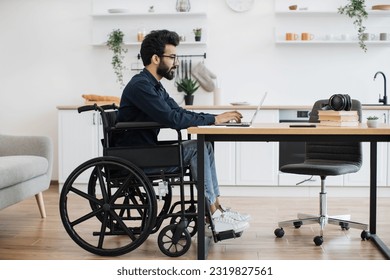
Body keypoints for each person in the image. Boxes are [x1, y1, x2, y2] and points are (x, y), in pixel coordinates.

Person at [116, 29, 250, 234]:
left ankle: (217, 209)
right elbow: (172, 119)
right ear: (155, 58)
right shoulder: (141, 86)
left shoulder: (154, 86)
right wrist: (215, 119)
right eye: (172, 57)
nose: (176, 62)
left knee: (204, 144)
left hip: (145, 152)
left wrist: (214, 118)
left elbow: (178, 112)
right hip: (136, 157)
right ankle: (213, 214)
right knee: (197, 148)